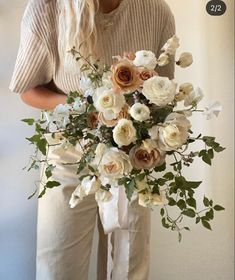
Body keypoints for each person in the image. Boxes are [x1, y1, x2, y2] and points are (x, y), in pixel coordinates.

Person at [9, 0, 175, 279]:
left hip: (130, 155)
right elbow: (28, 89)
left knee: (128, 267)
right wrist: (88, 107)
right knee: (58, 265)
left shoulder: (156, 10)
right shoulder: (48, 8)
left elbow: (164, 93)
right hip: (68, 154)